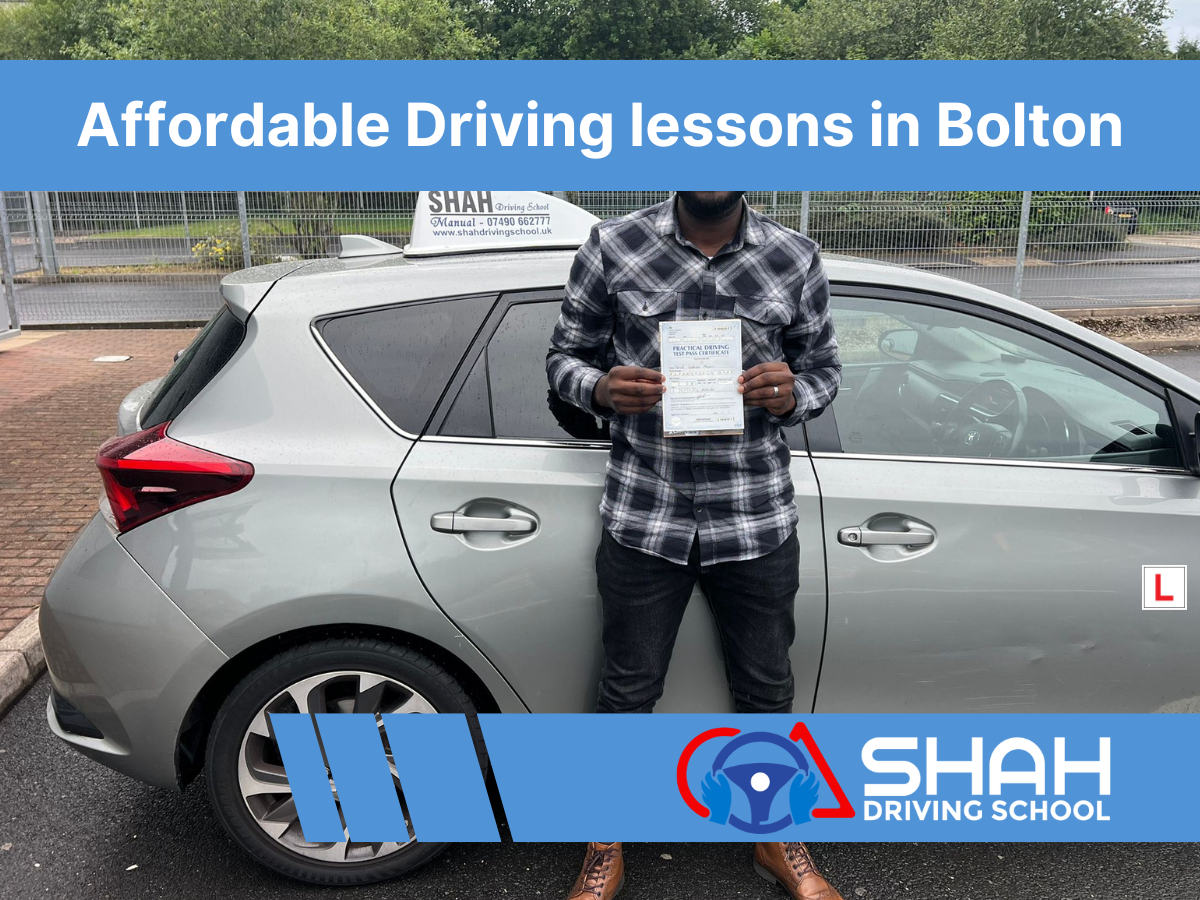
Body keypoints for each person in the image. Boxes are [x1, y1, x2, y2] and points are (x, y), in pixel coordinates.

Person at [546, 192, 844, 900]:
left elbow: (826, 371)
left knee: (768, 690)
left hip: (754, 517)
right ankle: (604, 842)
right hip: (646, 514)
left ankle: (775, 837)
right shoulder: (612, 245)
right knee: (626, 691)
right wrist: (600, 387)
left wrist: (790, 394)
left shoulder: (794, 255)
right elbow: (563, 357)